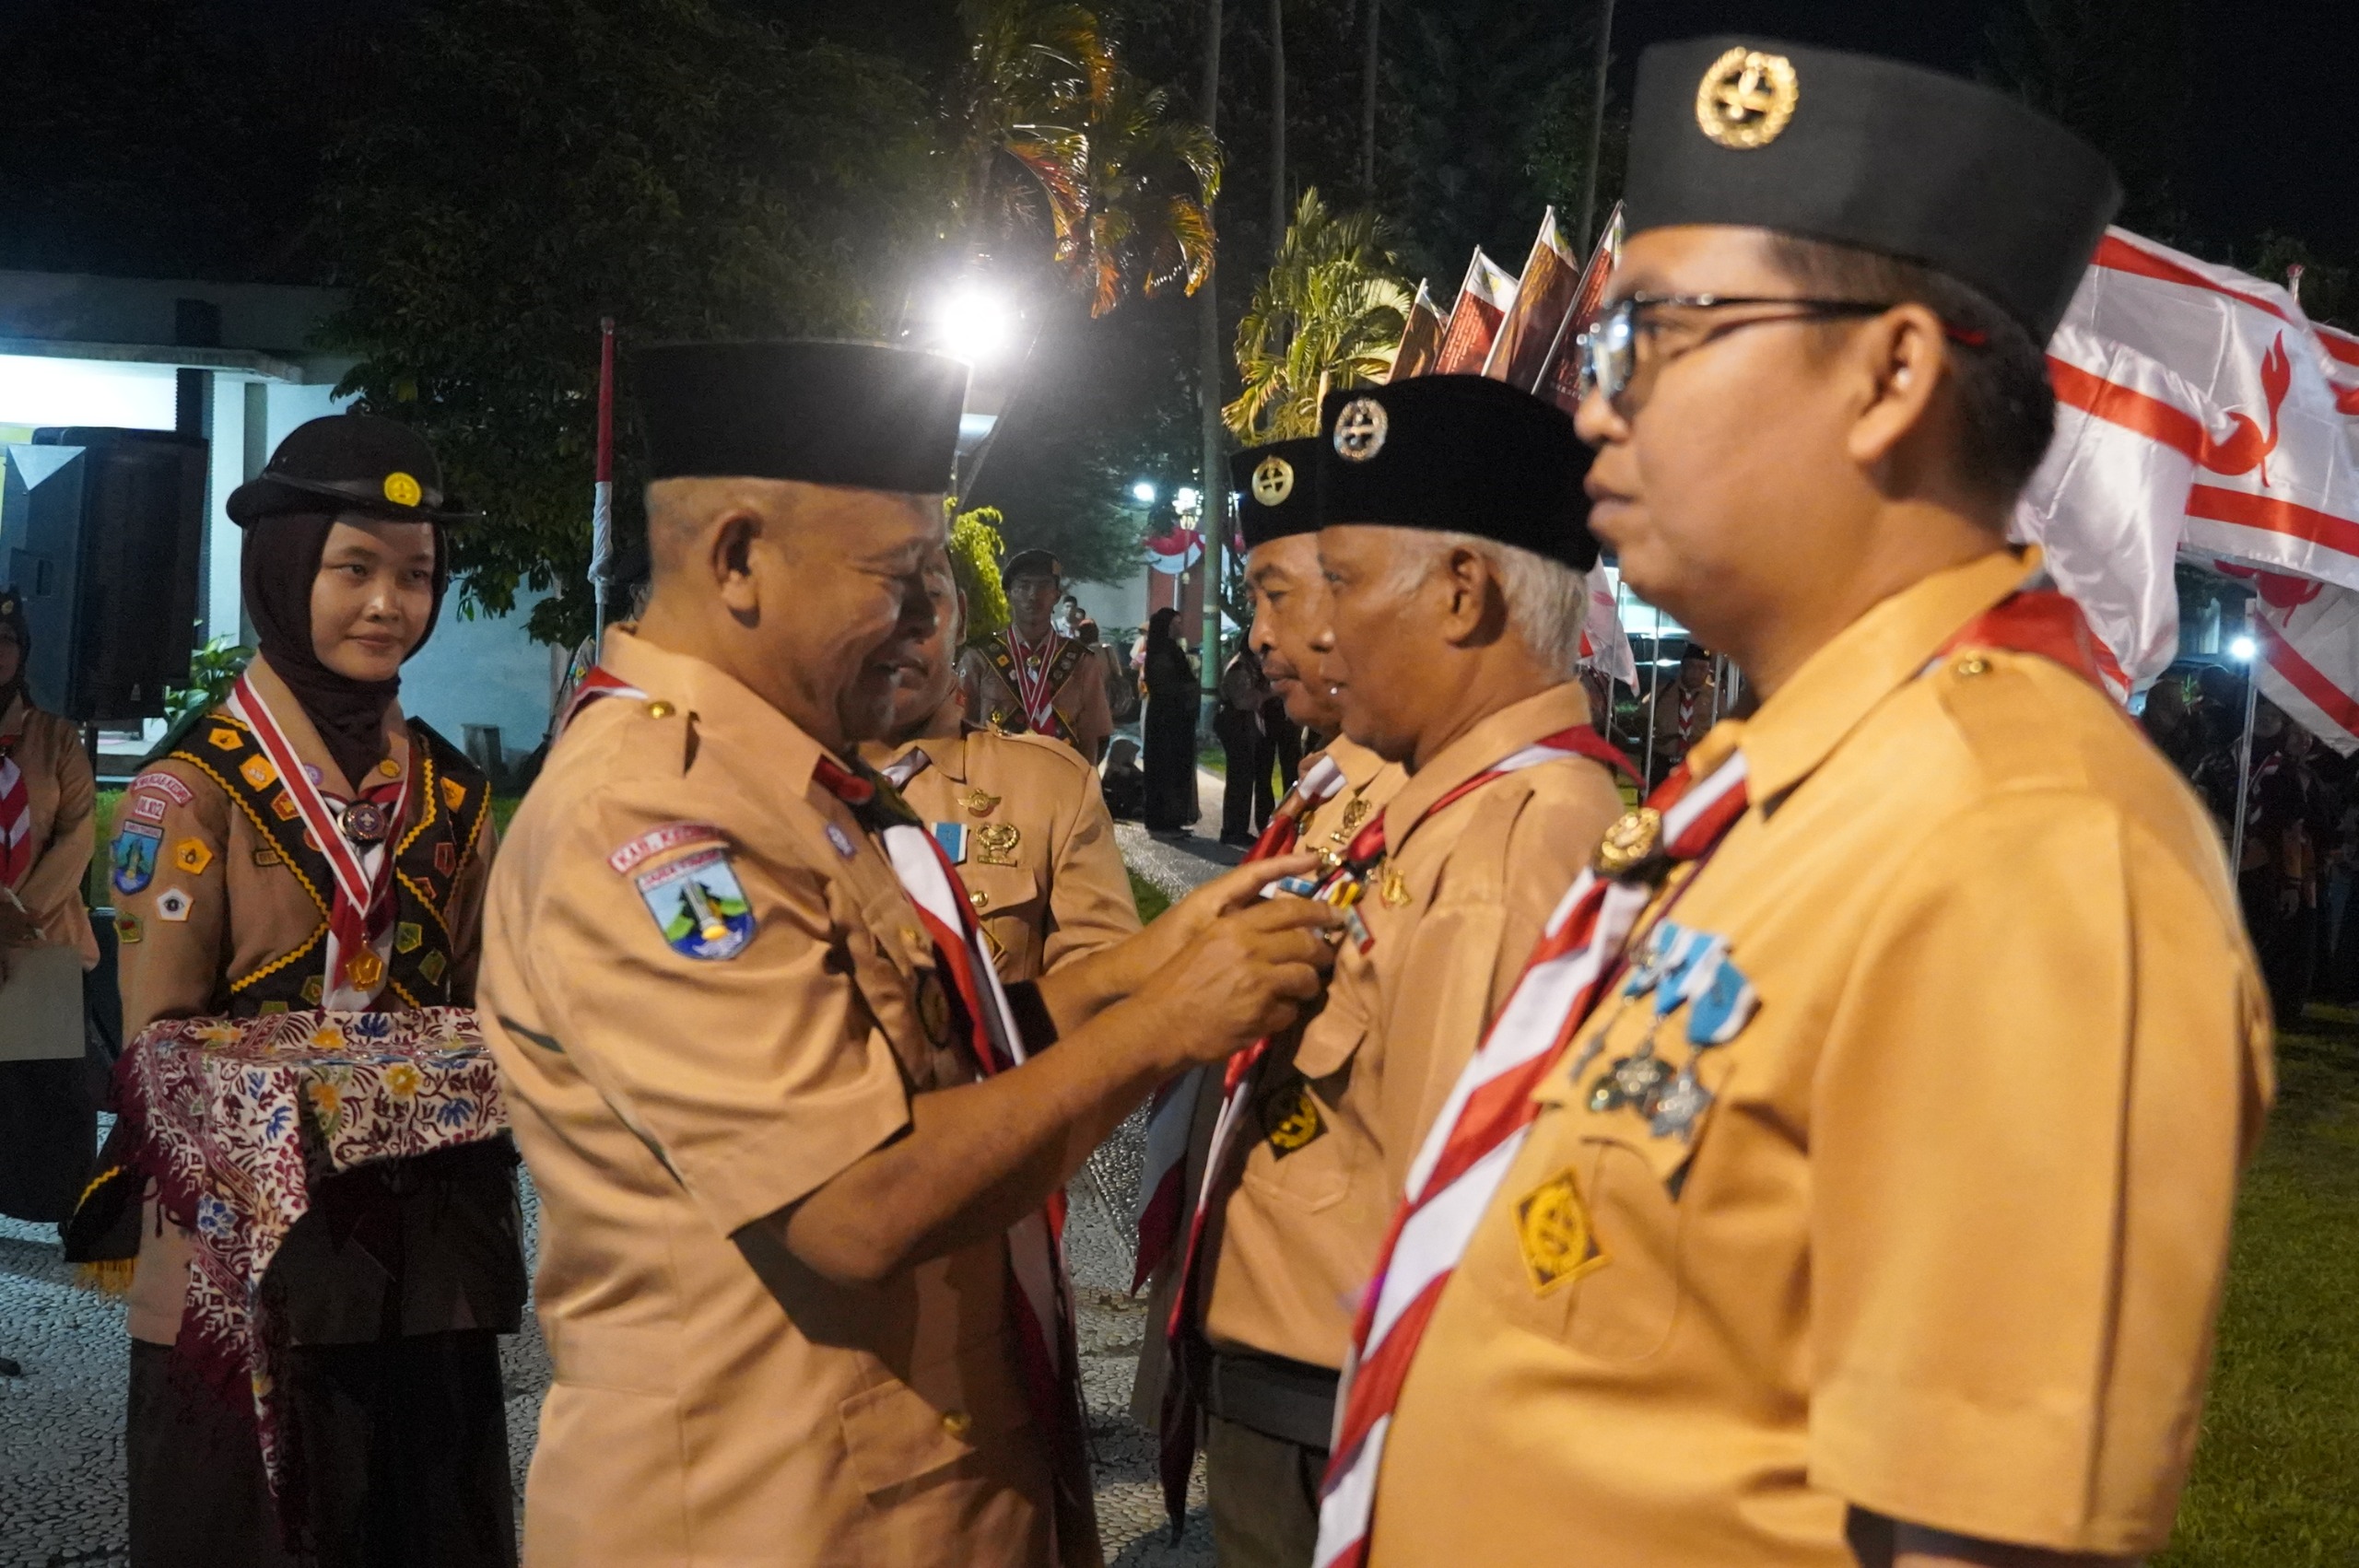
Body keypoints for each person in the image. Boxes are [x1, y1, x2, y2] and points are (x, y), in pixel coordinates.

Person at [1318, 38, 2272, 1568]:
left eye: (1651, 340)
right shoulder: (1786, 791)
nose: (1591, 408)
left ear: (1892, 375)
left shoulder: (2023, 842)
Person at [476, 340, 1338, 1568]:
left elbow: (938, 1051)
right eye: (900, 575)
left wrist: (1141, 970)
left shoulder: (792, 779)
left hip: (911, 1497)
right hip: (771, 1519)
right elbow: (854, 1201)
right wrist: (1165, 1026)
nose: (934, 621)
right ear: (737, 559)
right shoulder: (654, 819)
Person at [1181, 386, 1630, 1568]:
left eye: (1342, 580)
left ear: (1462, 592)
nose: (1315, 631)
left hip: (1358, 1428)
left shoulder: (1509, 844)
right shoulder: (1443, 817)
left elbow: (1472, 1265)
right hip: (1305, 1402)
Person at [105, 414, 523, 1567]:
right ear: (285, 570)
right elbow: (161, 1052)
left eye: (418, 575)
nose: (389, 603)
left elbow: (494, 1000)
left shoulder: (450, 790)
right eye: (355, 569)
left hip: (431, 1264)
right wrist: (339, 1082)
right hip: (251, 1275)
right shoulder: (190, 791)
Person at [1127, 436, 1414, 1547]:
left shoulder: (1446, 808)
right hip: (1264, 1331)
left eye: (1289, 592)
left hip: (1336, 1354)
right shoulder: (1332, 779)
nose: (1260, 632)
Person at [860, 546, 1140, 985]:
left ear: (962, 616)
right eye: (867, 596)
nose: (899, 621)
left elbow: (1105, 983)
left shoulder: (1060, 782)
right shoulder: (757, 780)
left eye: (930, 594)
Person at [0, 585, 101, 1226]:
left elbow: (80, 834)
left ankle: (65, 1207)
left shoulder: (55, 738)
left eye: (5, 643)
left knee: (50, 1088)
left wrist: (18, 912)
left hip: (40, 939)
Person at [959, 550, 1114, 764]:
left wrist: (1086, 789)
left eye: (1043, 586)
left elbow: (1093, 737)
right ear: (1008, 593)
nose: (1033, 595)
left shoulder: (1080, 662)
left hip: (1061, 784)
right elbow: (960, 730)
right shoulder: (980, 658)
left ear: (1057, 595)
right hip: (997, 783)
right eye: (1023, 586)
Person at [1141, 606, 1201, 835]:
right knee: (1165, 768)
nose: (1180, 628)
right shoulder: (1163, 652)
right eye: (1176, 624)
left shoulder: (1168, 649)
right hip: (1167, 721)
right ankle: (1163, 819)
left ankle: (1171, 818)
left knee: (1173, 768)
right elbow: (1167, 686)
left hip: (1173, 719)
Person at [1215, 644, 1273, 846]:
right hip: (1235, 724)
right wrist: (1268, 694)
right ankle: (1233, 829)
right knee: (1240, 778)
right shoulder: (1239, 668)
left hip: (1241, 724)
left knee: (1244, 778)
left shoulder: (1247, 666)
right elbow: (1243, 700)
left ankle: (1237, 828)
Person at [1647, 641, 1717, 784]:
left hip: (1698, 765)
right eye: (1692, 667)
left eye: (1702, 668)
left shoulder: (1715, 698)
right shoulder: (1663, 692)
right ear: (1682, 667)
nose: (1696, 673)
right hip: (1664, 763)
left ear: (1708, 671)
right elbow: (1641, 719)